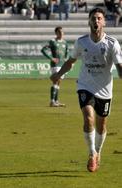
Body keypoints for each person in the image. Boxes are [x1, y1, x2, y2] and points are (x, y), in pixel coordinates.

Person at [50, 8, 122, 172]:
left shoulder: (112, 43)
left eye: (99, 18)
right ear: (89, 21)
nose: (96, 21)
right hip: (85, 86)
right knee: (88, 118)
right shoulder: (81, 42)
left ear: (103, 22)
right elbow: (71, 61)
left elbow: (119, 67)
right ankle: (91, 154)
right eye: (93, 18)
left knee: (101, 124)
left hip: (104, 89)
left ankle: (98, 152)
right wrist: (59, 74)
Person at [41, 26, 69, 107]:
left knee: (58, 82)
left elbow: (67, 52)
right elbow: (43, 50)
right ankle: (52, 101)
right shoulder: (52, 41)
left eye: (62, 32)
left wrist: (66, 60)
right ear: (56, 33)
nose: (61, 34)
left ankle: (56, 101)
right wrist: (51, 58)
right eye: (59, 32)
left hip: (62, 65)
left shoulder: (65, 42)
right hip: (55, 65)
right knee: (56, 80)